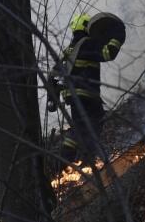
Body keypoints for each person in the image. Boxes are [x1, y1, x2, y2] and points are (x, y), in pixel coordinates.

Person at [52, 12, 125, 165]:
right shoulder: (86, 43)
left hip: (74, 95)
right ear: (86, 26)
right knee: (87, 127)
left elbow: (53, 75)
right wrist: (118, 35)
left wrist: (53, 98)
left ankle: (84, 161)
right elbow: (107, 53)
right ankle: (64, 163)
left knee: (88, 125)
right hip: (86, 94)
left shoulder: (68, 50)